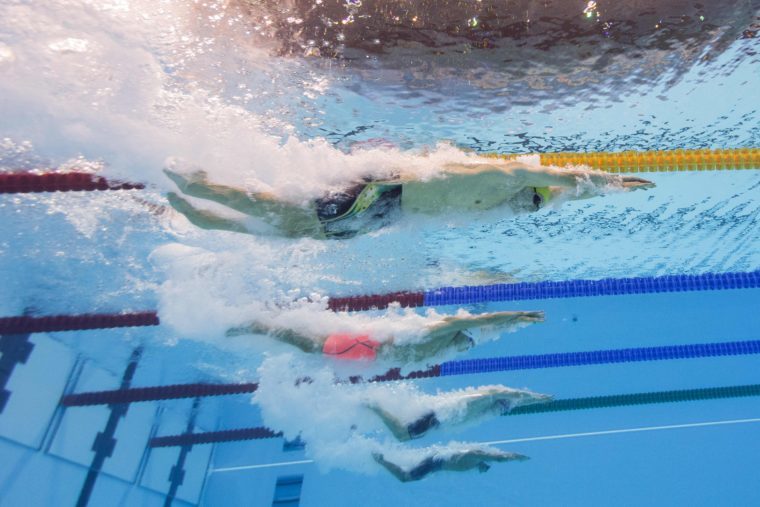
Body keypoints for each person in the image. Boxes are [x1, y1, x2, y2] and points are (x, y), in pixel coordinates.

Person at [164, 159, 654, 238]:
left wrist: (603, 195)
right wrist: (611, 180)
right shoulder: (511, 175)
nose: (532, 211)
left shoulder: (510, 203)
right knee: (281, 211)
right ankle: (193, 184)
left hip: (385, 212)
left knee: (294, 233)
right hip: (381, 192)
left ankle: (192, 209)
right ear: (534, 190)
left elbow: (568, 194)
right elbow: (567, 177)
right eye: (537, 203)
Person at [227, 310, 545, 362]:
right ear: (458, 335)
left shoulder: (442, 348)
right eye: (468, 342)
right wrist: (517, 315)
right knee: (310, 345)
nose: (467, 347)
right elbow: (482, 320)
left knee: (310, 341)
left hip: (368, 350)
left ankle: (264, 322)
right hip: (366, 346)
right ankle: (258, 325)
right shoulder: (440, 332)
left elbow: (488, 330)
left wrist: (516, 325)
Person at [367, 385, 551, 441]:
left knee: (403, 434)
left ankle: (376, 405)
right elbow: (515, 395)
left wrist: (533, 399)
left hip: (439, 420)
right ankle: (373, 405)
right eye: (504, 405)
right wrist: (536, 396)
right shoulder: (489, 396)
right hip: (438, 415)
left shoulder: (491, 405)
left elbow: (517, 400)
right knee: (402, 435)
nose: (502, 409)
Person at [372, 446, 528, 482]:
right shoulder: (474, 456)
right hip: (433, 464)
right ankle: (380, 460)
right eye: (486, 466)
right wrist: (516, 457)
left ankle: (382, 459)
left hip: (434, 464)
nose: (485, 468)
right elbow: (499, 458)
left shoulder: (474, 461)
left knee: (406, 476)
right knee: (404, 478)